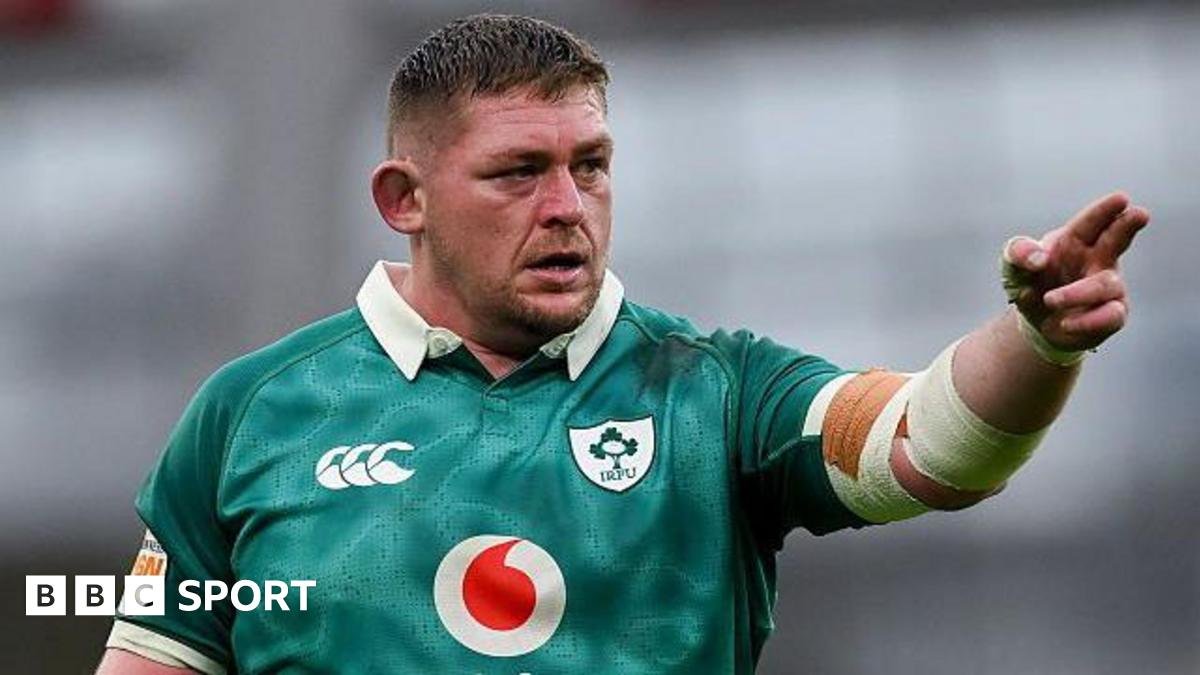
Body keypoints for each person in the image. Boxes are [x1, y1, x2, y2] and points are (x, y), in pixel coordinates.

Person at [96, 13, 1150, 675]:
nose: (568, 206)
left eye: (591, 165)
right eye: (519, 173)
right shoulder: (249, 413)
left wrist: (1039, 340)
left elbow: (929, 442)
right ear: (403, 200)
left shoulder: (714, 390)